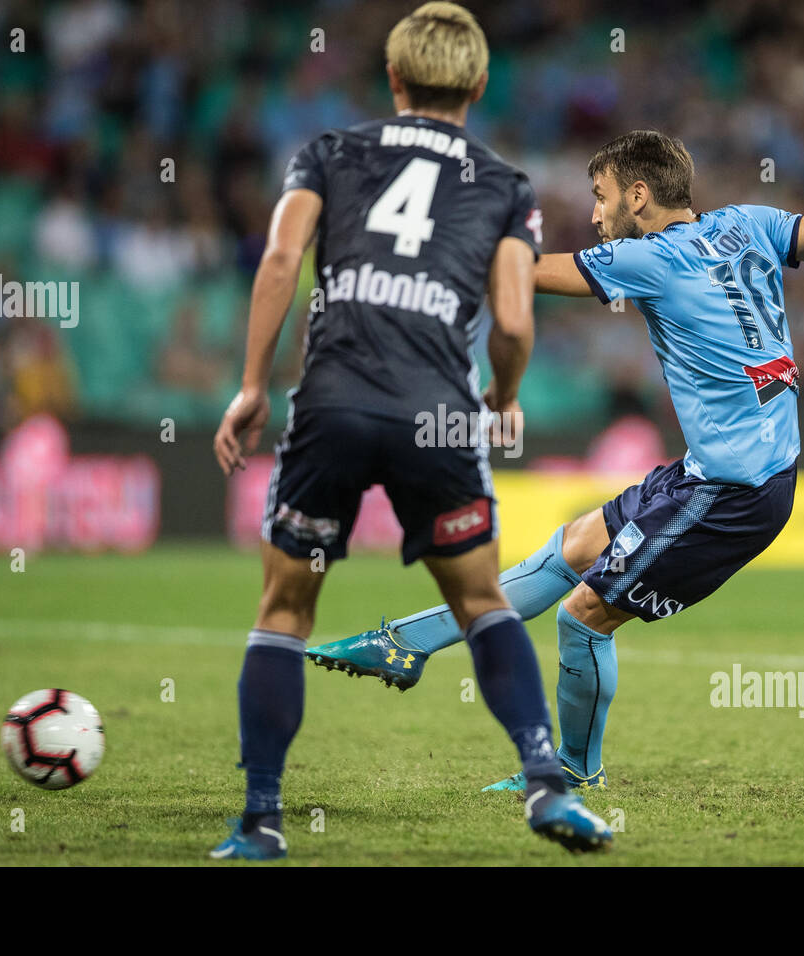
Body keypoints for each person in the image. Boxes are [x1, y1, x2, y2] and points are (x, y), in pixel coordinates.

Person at [307, 129, 804, 791]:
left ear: (639, 195)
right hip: (713, 474)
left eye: (601, 197)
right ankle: (405, 644)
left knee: (581, 617)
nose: (595, 214)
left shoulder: (651, 260)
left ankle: (574, 773)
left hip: (733, 495)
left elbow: (519, 273)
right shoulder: (751, 224)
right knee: (572, 547)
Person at [208, 3, 612, 860]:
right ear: (478, 84)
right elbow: (511, 315)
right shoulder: (505, 186)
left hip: (332, 401)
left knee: (285, 607)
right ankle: (545, 782)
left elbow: (280, 261)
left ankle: (261, 822)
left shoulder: (329, 152)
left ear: (394, 79)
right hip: (435, 411)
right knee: (480, 603)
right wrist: (504, 393)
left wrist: (249, 386)